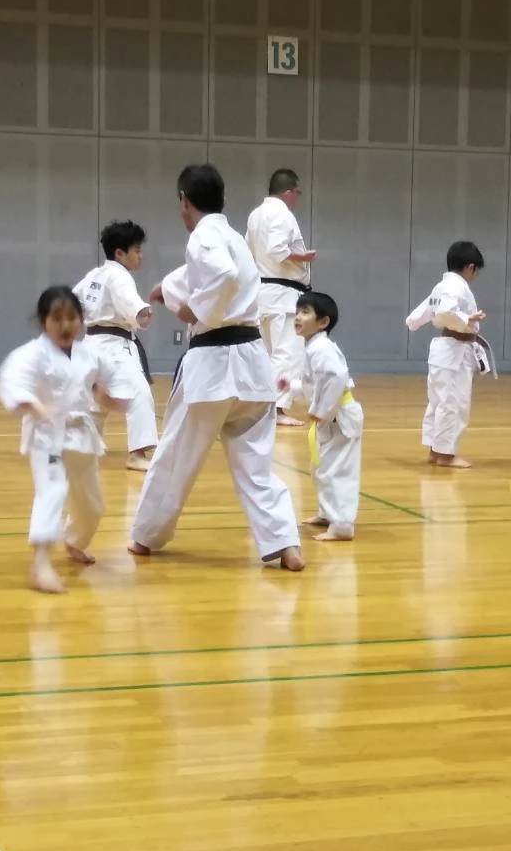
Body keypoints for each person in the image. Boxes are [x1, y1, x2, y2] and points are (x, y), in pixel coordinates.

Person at [128, 164, 305, 571]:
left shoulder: (204, 236)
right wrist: (166, 290)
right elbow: (209, 272)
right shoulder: (233, 237)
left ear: (183, 201)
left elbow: (219, 276)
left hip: (212, 368)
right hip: (252, 367)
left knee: (175, 455)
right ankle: (285, 543)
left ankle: (146, 536)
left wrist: (194, 309)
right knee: (256, 466)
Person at [0, 286, 128, 594]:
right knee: (52, 493)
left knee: (92, 504)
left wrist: (111, 397)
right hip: (47, 435)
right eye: (57, 319)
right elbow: (13, 382)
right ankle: (40, 566)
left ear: (81, 320)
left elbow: (115, 378)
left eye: (72, 318)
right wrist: (33, 405)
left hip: (82, 434)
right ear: (44, 322)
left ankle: (75, 540)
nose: (66, 325)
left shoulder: (90, 352)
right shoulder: (31, 354)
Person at [72, 220, 158, 472]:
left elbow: (72, 302)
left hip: (90, 345)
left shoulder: (94, 275)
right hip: (114, 346)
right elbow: (131, 304)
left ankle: (87, 445)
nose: (140, 256)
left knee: (97, 400)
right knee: (139, 394)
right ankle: (137, 454)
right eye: (137, 250)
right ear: (120, 253)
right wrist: (143, 312)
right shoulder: (119, 276)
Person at [406, 241, 493, 470]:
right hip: (454, 350)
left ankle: (436, 450)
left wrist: (413, 322)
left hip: (444, 350)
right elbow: (444, 312)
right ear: (470, 267)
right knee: (453, 402)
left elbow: (427, 311)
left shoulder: (441, 286)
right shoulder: (456, 287)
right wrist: (468, 320)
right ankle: (446, 454)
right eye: (476, 271)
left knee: (439, 401)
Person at [286, 290, 363, 542]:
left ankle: (342, 525)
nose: (298, 317)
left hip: (340, 416)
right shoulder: (313, 347)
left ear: (323, 322)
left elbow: (335, 378)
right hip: (333, 416)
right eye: (297, 311)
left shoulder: (322, 349)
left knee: (336, 469)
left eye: (305, 312)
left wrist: (320, 411)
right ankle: (328, 513)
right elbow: (314, 384)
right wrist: (291, 387)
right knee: (321, 467)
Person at [245, 168, 316, 428]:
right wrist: (303, 257)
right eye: (296, 192)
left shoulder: (255, 215)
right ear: (288, 192)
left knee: (267, 353)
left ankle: (262, 405)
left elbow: (249, 251)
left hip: (262, 293)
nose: (297, 197)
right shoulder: (281, 213)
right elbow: (277, 250)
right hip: (283, 294)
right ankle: (276, 407)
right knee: (288, 353)